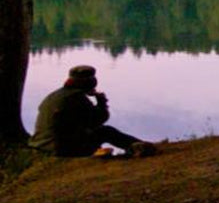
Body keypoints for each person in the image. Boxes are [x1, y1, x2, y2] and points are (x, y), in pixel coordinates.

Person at [29, 65, 158, 158]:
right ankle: (139, 147)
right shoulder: (76, 97)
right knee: (106, 131)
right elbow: (98, 120)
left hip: (41, 145)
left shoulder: (55, 95)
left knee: (99, 131)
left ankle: (137, 145)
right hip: (60, 149)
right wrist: (101, 102)